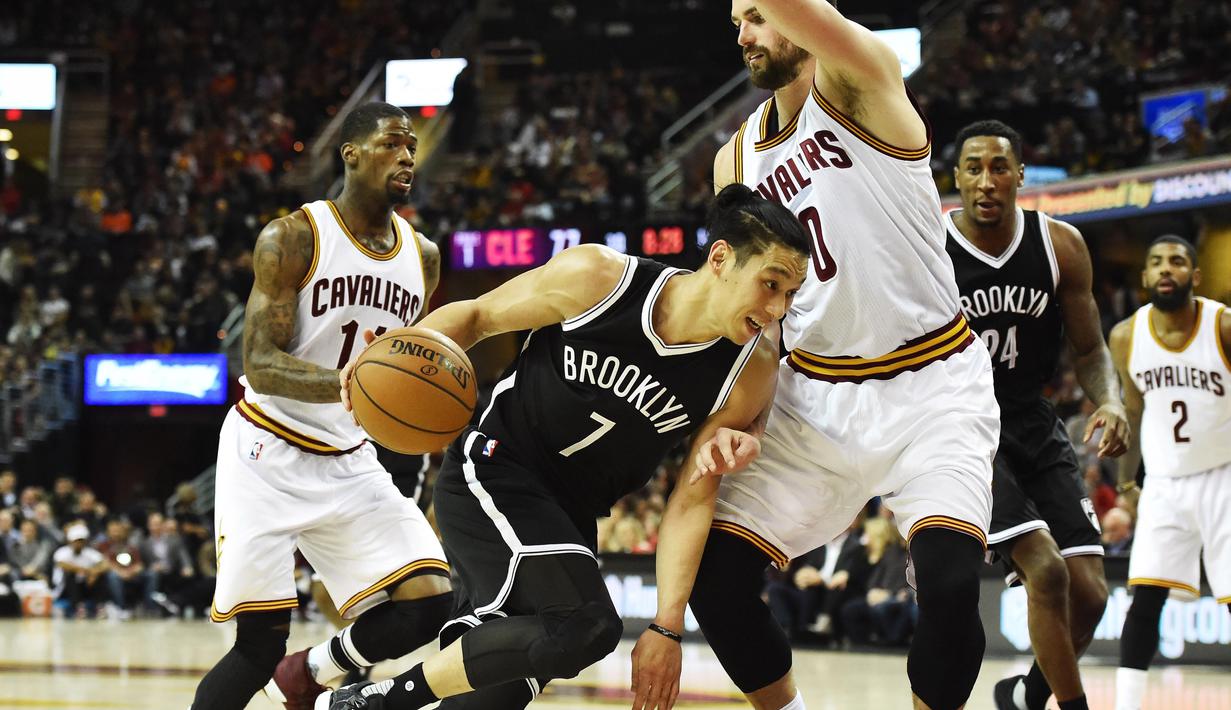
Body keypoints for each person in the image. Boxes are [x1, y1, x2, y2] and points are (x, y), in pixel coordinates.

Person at [317, 183, 810, 710]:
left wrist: (667, 626)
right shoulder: (601, 280)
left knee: (497, 689)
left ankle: (337, 694)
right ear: (720, 258)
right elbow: (478, 317)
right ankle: (374, 701)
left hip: (568, 517)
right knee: (587, 624)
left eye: (790, 295)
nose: (778, 309)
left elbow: (692, 498)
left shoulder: (749, 369)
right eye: (771, 284)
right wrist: (394, 353)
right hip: (496, 468)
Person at [671, 3, 1002, 709]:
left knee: (945, 586)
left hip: (932, 387)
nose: (743, 35)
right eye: (736, 21)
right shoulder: (735, 159)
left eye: (758, 16)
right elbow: (753, 309)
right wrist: (745, 416)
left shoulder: (860, 82)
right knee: (714, 579)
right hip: (813, 396)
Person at [191, 101, 453, 710]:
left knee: (432, 601)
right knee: (255, 648)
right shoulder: (294, 237)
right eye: (392, 143)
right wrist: (352, 387)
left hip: (348, 456)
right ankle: (278, 666)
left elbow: (399, 374)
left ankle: (310, 671)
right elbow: (258, 360)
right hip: (266, 450)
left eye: (413, 145)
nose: (408, 155)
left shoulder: (424, 258)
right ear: (351, 153)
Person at [944, 120, 1131, 710]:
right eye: (973, 167)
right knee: (1045, 572)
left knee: (1093, 595)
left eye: (1000, 166)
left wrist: (1110, 399)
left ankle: (1026, 695)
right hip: (965, 428)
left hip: (1032, 418)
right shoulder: (930, 249)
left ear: (1021, 175)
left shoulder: (1060, 246)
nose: (987, 180)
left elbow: (1091, 347)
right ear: (956, 178)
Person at [1108, 235, 1231, 710]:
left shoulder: (1221, 325)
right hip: (1163, 481)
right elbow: (1133, 413)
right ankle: (1126, 704)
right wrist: (1125, 483)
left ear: (1194, 277)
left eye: (1177, 262)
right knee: (1146, 598)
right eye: (1155, 261)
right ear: (1144, 277)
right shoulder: (1125, 335)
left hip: (1223, 474)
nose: (1166, 269)